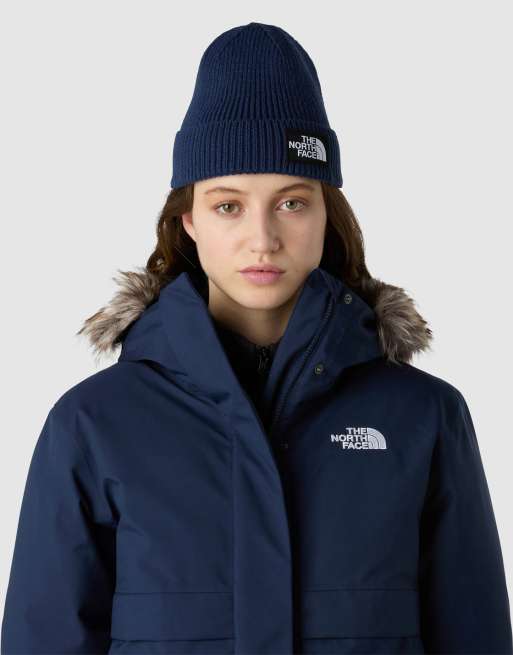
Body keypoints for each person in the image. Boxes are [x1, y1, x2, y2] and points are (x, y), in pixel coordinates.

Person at [1, 21, 512, 655]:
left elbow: (474, 634)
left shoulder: (423, 417)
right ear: (189, 219)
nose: (263, 239)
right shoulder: (94, 424)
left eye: (292, 202)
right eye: (228, 205)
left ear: (327, 215)